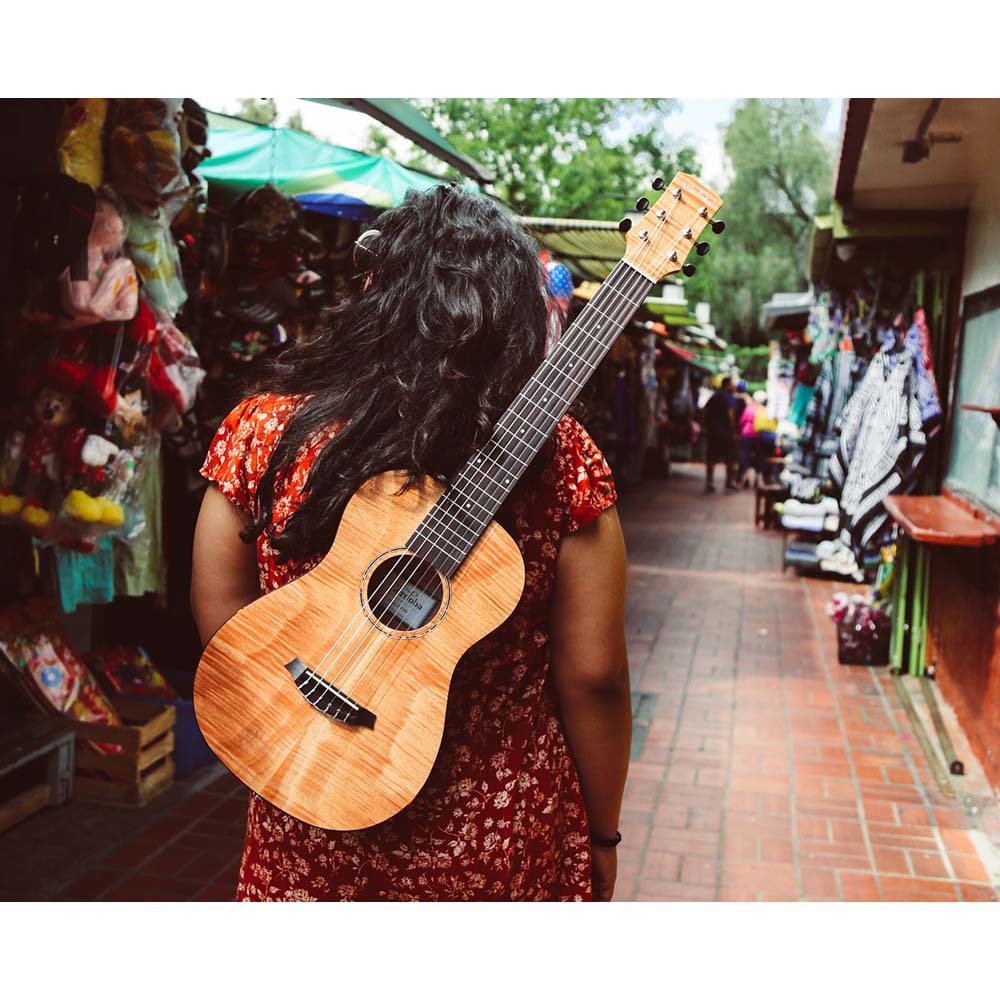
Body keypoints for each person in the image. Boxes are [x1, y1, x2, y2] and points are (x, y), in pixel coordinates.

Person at [190, 186, 631, 902]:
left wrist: (292, 715)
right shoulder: (562, 458)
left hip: (308, 799)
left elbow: (223, 618)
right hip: (495, 833)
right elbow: (596, 677)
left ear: (373, 292)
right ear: (515, 315)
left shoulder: (264, 427)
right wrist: (603, 834)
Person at [700, 376, 736, 493]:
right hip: (725, 432)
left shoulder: (714, 396)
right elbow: (730, 414)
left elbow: (704, 411)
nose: (734, 386)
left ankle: (709, 482)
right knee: (729, 459)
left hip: (712, 431)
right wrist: (733, 430)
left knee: (711, 458)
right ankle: (729, 483)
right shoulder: (729, 397)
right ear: (728, 384)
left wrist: (704, 426)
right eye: (732, 384)